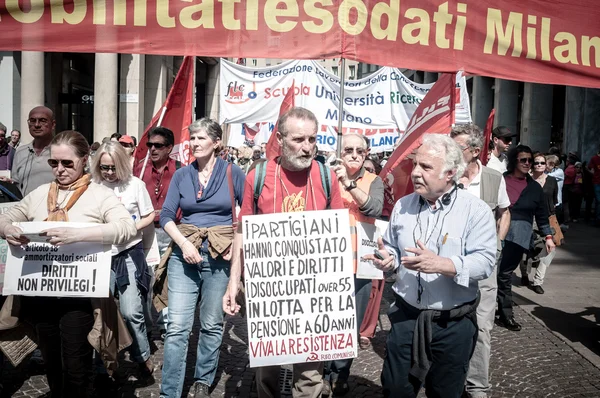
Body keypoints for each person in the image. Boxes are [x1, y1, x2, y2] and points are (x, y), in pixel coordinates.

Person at [0, 130, 137, 397]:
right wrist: (8, 230)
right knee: (51, 360)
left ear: (85, 159)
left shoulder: (99, 195)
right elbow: (8, 215)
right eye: (54, 163)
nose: (59, 170)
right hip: (41, 292)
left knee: (76, 364)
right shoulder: (40, 193)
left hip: (79, 296)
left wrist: (78, 234)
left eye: (67, 163)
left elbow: (126, 227)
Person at [362, 134, 496, 398]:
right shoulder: (403, 206)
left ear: (449, 174)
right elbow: (392, 248)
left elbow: (485, 262)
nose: (415, 173)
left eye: (425, 167)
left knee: (446, 392)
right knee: (395, 389)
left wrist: (443, 264)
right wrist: (388, 259)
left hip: (452, 324)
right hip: (406, 318)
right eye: (416, 165)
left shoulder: (475, 211)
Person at [223, 107, 344, 398]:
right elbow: (243, 231)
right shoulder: (258, 174)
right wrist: (233, 281)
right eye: (298, 139)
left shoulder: (327, 177)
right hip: (268, 287)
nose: (307, 147)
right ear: (280, 139)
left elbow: (338, 231)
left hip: (315, 288)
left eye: (312, 140)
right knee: (268, 366)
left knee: (311, 372)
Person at [158, 118, 245, 398]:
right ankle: (169, 392)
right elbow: (167, 216)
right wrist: (184, 244)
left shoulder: (233, 172)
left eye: (200, 138)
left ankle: (203, 380)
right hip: (185, 255)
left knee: (210, 325)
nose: (194, 143)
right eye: (192, 138)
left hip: (220, 257)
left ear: (216, 142)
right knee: (177, 329)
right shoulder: (182, 175)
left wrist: (236, 242)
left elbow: (248, 214)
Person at [450, 124, 510, 398]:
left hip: (484, 267)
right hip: (450, 266)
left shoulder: (495, 178)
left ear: (475, 152)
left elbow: (504, 212)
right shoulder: (446, 177)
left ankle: (477, 388)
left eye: (457, 147)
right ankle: (450, 379)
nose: (450, 152)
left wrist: (497, 247)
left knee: (483, 328)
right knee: (450, 324)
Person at [91, 141, 155, 378]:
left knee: (130, 312)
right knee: (102, 313)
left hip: (128, 251)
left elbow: (149, 215)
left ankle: (142, 355)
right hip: (101, 254)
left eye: (113, 167)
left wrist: (132, 228)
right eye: (105, 167)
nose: (109, 173)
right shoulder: (92, 185)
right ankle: (103, 363)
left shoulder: (134, 185)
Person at [326, 134, 384, 396]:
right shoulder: (325, 176)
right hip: (328, 262)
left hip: (360, 264)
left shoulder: (374, 181)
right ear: (340, 151)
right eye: (348, 149)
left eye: (359, 150)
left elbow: (373, 208)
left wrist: (348, 184)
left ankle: (340, 374)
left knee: (350, 323)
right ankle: (322, 371)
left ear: (367, 152)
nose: (353, 154)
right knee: (326, 319)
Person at [496, 145, 555, 332]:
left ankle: (506, 315)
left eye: (530, 160)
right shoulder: (500, 180)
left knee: (504, 274)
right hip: (494, 231)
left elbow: (542, 215)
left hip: (519, 235)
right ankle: (488, 308)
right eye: (524, 160)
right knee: (489, 273)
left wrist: (548, 236)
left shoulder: (535, 188)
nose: (528, 163)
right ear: (514, 160)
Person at [134, 127, 180, 335]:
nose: (152, 149)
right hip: (144, 233)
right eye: (149, 145)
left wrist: (163, 214)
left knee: (167, 280)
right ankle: (143, 322)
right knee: (143, 279)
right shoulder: (138, 171)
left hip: (170, 232)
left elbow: (185, 203)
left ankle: (166, 324)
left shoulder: (182, 170)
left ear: (169, 148)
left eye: (158, 145)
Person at [519, 153, 559, 295]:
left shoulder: (552, 181)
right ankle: (524, 274)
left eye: (542, 162)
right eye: (537, 163)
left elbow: (554, 200)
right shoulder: (526, 180)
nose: (540, 165)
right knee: (525, 251)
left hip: (546, 219)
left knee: (549, 251)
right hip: (528, 219)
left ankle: (538, 281)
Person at [12, 106, 56, 196]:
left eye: (42, 120)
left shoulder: (64, 151)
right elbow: (16, 183)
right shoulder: (20, 152)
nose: (37, 125)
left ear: (53, 124)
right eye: (32, 121)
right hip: (25, 208)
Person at [546, 155, 564, 222]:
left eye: (545, 163)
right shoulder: (547, 172)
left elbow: (546, 177)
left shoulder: (559, 172)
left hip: (556, 203)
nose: (544, 166)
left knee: (555, 224)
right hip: (548, 202)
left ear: (552, 164)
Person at [587, 147, 600, 225]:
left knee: (598, 202)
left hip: (597, 182)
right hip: (597, 182)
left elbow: (591, 170)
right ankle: (597, 219)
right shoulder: (594, 158)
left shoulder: (594, 158)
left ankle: (597, 219)